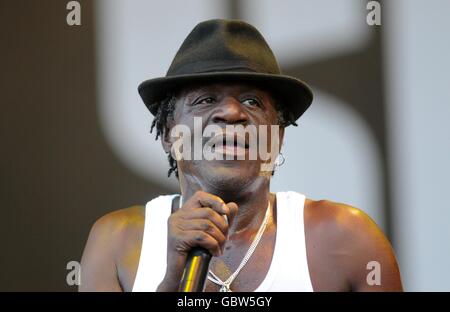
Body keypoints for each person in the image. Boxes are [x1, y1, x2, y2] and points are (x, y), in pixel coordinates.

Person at [79, 19, 402, 292]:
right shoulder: (116, 241)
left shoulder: (346, 238)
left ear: (277, 138)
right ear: (168, 134)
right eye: (205, 100)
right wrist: (171, 284)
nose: (232, 113)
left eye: (252, 102)